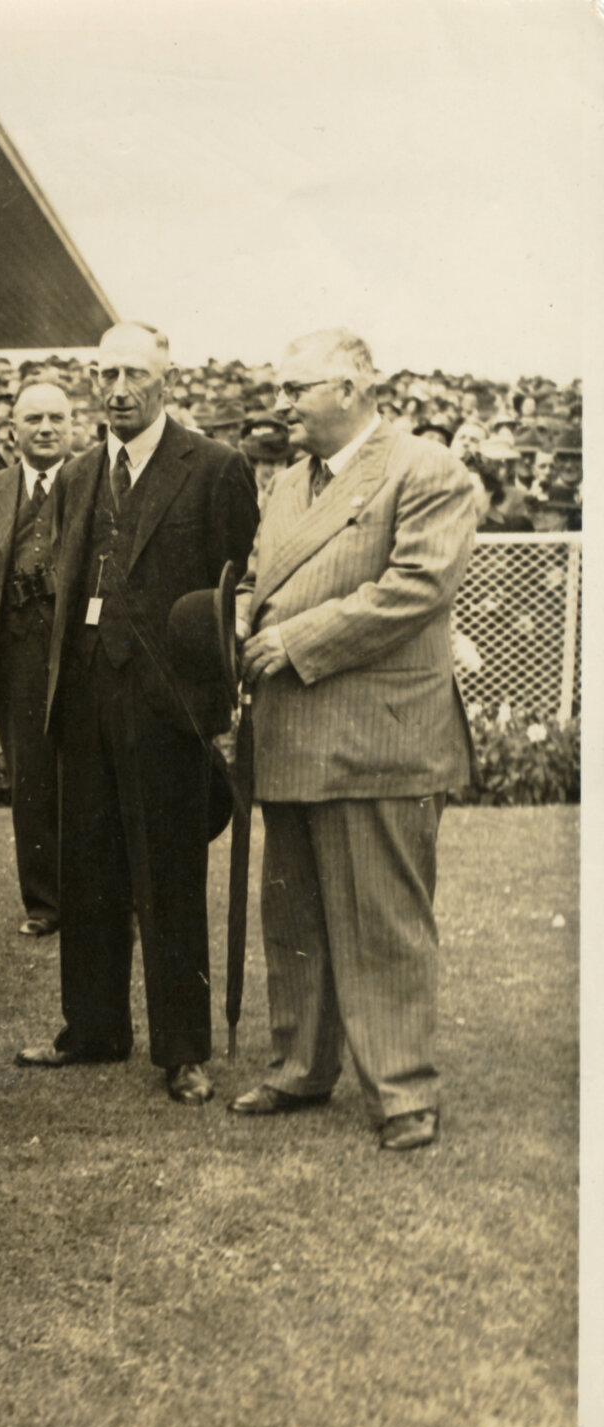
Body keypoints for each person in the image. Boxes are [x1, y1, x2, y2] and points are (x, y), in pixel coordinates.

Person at [229, 330, 477, 1152]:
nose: (283, 402)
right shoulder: (291, 481)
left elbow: (417, 589)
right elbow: (269, 579)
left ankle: (403, 1090)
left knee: (383, 921)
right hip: (295, 728)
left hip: (380, 734)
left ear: (352, 389)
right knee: (293, 916)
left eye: (298, 387)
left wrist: (295, 641)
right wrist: (242, 624)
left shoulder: (424, 467)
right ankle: (301, 1065)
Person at [15, 323, 258, 1105]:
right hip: (85, 696)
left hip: (166, 708)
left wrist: (215, 699)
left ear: (165, 380)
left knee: (170, 877)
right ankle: (92, 1029)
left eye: (134, 374)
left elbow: (233, 592)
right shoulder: (82, 470)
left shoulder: (215, 468)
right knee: (86, 871)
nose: (118, 387)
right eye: (106, 372)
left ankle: (183, 1050)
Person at [0, 381, 73, 937]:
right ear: (14, 431)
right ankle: (45, 904)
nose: (46, 428)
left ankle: (103, 898)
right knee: (30, 780)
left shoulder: (94, 483)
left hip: (79, 651)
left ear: (73, 427)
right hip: (17, 654)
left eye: (56, 418)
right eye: (34, 419)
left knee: (90, 778)